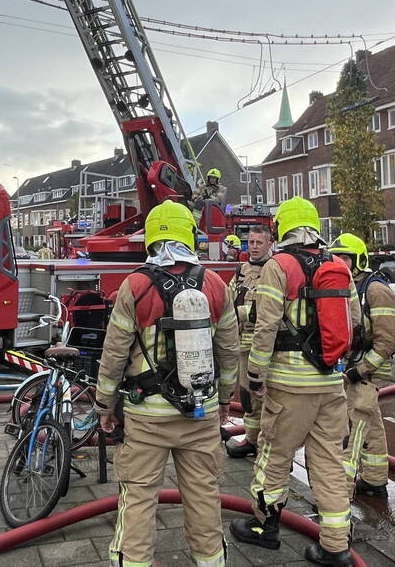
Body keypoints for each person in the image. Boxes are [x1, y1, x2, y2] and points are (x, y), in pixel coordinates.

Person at [95, 200, 239, 567]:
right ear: (189, 236)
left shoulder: (136, 286)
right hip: (201, 411)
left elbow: (114, 354)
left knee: (139, 497)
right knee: (204, 495)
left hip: (146, 415)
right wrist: (224, 401)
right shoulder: (216, 285)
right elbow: (228, 351)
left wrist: (104, 406)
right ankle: (211, 562)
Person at [230, 196, 355, 567]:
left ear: (281, 228)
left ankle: (264, 527)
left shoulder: (279, 265)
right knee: (330, 462)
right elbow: (355, 324)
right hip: (331, 384)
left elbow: (264, 327)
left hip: (289, 386)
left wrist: (254, 376)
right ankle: (336, 546)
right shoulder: (337, 265)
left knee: (273, 454)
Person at [328, 234, 395, 499]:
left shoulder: (376, 290)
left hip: (368, 370)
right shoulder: (350, 285)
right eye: (336, 258)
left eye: (344, 258)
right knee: (373, 425)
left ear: (359, 260)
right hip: (355, 365)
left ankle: (340, 495)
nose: (339, 263)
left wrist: (360, 370)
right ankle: (374, 480)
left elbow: (387, 341)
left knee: (352, 430)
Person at [225, 224, 274, 458]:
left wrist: (240, 313)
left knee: (265, 397)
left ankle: (270, 449)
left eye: (259, 242)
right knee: (246, 396)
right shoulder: (242, 270)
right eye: (251, 242)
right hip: (243, 344)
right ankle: (252, 440)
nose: (253, 247)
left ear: (269, 244)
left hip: (264, 345)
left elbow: (269, 309)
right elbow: (228, 299)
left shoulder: (275, 271)